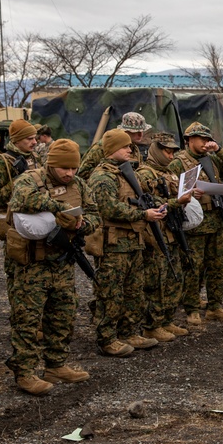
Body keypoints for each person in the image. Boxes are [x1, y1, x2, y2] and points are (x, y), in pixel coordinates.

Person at [5, 139, 101, 394]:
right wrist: (60, 209)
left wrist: (80, 224)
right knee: (27, 318)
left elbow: (94, 215)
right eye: (63, 169)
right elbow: (20, 200)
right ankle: (25, 372)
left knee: (63, 314)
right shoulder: (31, 180)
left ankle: (55, 365)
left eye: (73, 168)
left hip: (62, 262)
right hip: (32, 264)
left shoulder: (79, 184)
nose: (69, 173)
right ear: (51, 164)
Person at [89, 129, 167, 356]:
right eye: (125, 147)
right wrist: (143, 215)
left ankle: (129, 331)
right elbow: (108, 208)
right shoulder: (102, 177)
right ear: (112, 149)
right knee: (110, 293)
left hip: (133, 241)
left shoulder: (125, 173)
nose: (130, 149)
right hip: (113, 244)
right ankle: (107, 338)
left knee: (134, 291)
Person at [168, 122, 223, 325]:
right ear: (189, 140)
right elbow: (168, 189)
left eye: (208, 139)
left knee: (217, 266)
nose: (205, 143)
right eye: (202, 139)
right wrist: (189, 193)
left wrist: (219, 150)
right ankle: (192, 308)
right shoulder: (178, 162)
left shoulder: (212, 160)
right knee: (193, 267)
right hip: (194, 224)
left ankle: (215, 306)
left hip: (216, 220)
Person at [136, 131, 194, 341]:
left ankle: (166, 319)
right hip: (155, 235)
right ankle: (151, 324)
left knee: (173, 277)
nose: (171, 156)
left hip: (171, 232)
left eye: (172, 152)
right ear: (155, 150)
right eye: (167, 152)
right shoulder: (144, 174)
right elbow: (151, 204)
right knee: (156, 281)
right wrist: (176, 202)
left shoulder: (168, 173)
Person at [0, 119, 39, 296]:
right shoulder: (1, 162)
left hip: (36, 219)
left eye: (35, 138)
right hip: (14, 223)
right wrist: (19, 178)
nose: (34, 142)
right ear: (17, 140)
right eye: (29, 139)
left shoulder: (34, 158)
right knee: (16, 269)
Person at [78, 113, 146, 181]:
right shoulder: (103, 146)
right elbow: (82, 173)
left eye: (142, 131)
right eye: (136, 132)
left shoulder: (134, 148)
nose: (141, 135)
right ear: (125, 131)